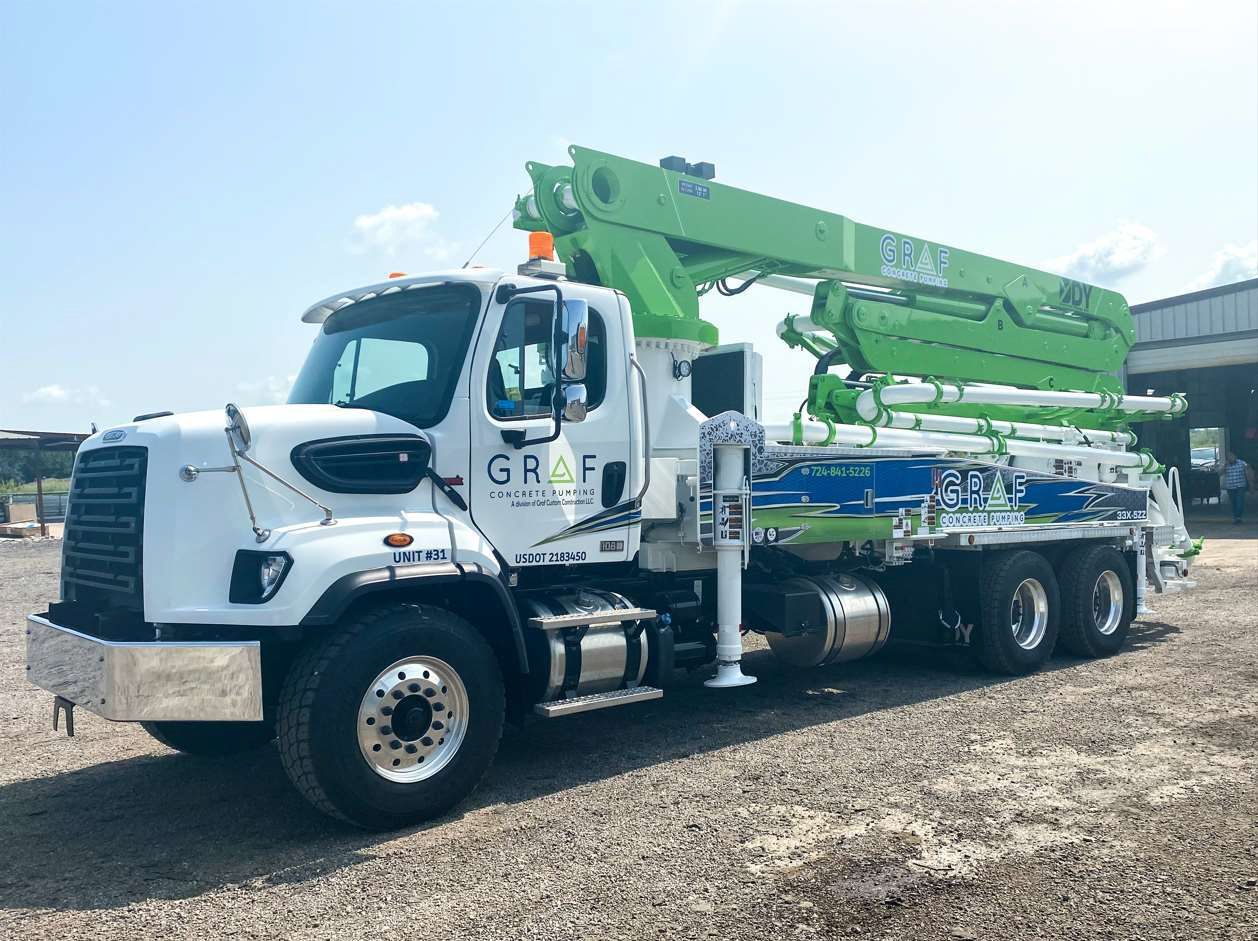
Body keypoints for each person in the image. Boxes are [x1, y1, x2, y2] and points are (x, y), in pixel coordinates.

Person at [1220, 450, 1255, 524]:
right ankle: (1235, 516)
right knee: (1233, 502)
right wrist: (1224, 466)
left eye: (1231, 456)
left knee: (1239, 501)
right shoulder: (1226, 464)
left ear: (1235, 456)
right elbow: (1219, 473)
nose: (1230, 458)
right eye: (1228, 456)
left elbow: (1248, 474)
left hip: (1240, 486)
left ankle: (1238, 517)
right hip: (1230, 487)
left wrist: (1251, 485)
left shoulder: (1242, 463)